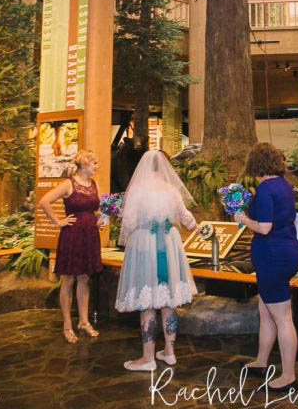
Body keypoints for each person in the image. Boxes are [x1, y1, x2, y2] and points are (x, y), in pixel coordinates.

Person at [115, 150, 199, 371]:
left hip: (145, 244)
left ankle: (148, 358)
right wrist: (196, 227)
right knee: (168, 299)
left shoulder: (137, 190)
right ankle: (169, 353)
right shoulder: (171, 189)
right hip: (169, 244)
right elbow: (185, 217)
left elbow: (129, 221)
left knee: (148, 301)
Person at [236, 143, 298, 392]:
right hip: (288, 251)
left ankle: (288, 376)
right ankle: (262, 361)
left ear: (256, 163)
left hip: (272, 256)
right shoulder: (284, 186)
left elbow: (264, 227)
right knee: (266, 311)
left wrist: (242, 219)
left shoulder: (265, 189)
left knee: (283, 318)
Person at [37, 149, 104, 343]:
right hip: (72, 235)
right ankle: (67, 324)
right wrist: (58, 221)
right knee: (68, 279)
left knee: (84, 277)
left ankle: (84, 321)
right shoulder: (68, 183)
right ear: (84, 164)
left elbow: (95, 209)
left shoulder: (93, 184)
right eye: (94, 163)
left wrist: (99, 220)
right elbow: (44, 201)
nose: (97, 166)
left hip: (90, 234)